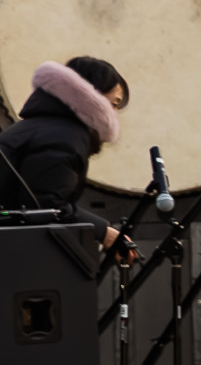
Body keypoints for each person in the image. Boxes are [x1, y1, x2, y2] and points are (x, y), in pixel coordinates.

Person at [0, 57, 131, 256]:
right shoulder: (63, 137)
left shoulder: (38, 128)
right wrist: (105, 233)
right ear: (92, 96)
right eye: (113, 103)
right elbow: (45, 208)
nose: (114, 114)